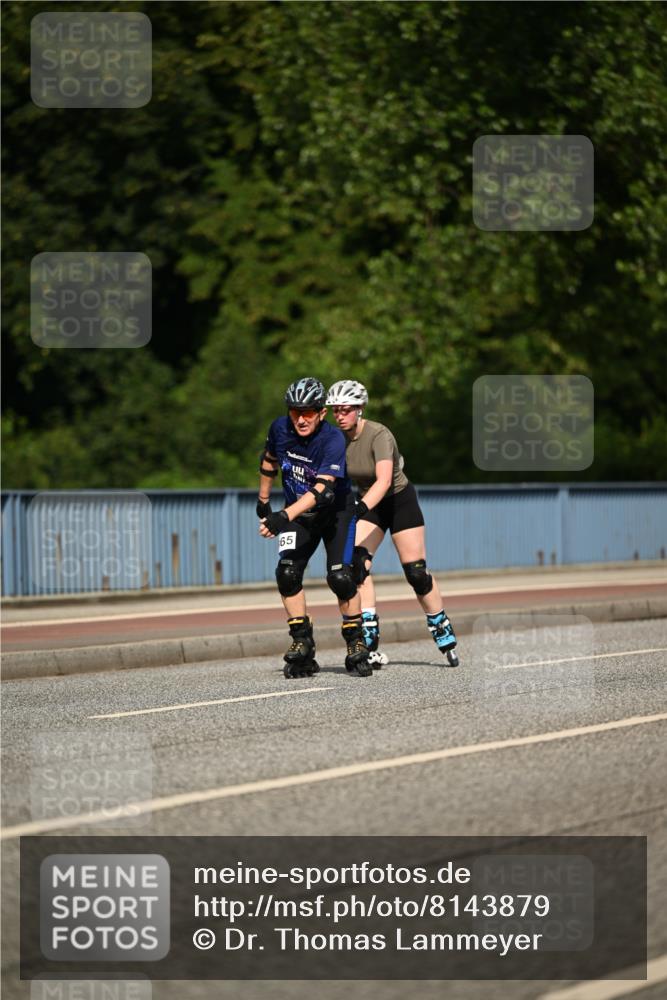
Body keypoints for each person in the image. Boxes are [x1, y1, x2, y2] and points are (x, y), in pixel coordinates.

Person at [326, 379, 459, 667]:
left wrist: (359, 508)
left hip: (398, 501)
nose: (340, 416)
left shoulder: (379, 435)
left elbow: (385, 480)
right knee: (355, 565)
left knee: (416, 573)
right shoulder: (336, 440)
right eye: (336, 411)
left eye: (346, 410)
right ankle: (369, 637)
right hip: (369, 504)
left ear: (360, 409)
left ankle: (440, 626)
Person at [257, 376, 372, 678]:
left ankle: (355, 641)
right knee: (287, 573)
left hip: (336, 512)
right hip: (301, 516)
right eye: (295, 411)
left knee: (340, 577)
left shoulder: (332, 439)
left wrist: (283, 515)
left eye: (309, 412)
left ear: (322, 413)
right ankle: (302, 645)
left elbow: (322, 489)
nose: (301, 418)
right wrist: (264, 499)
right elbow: (268, 460)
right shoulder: (279, 429)